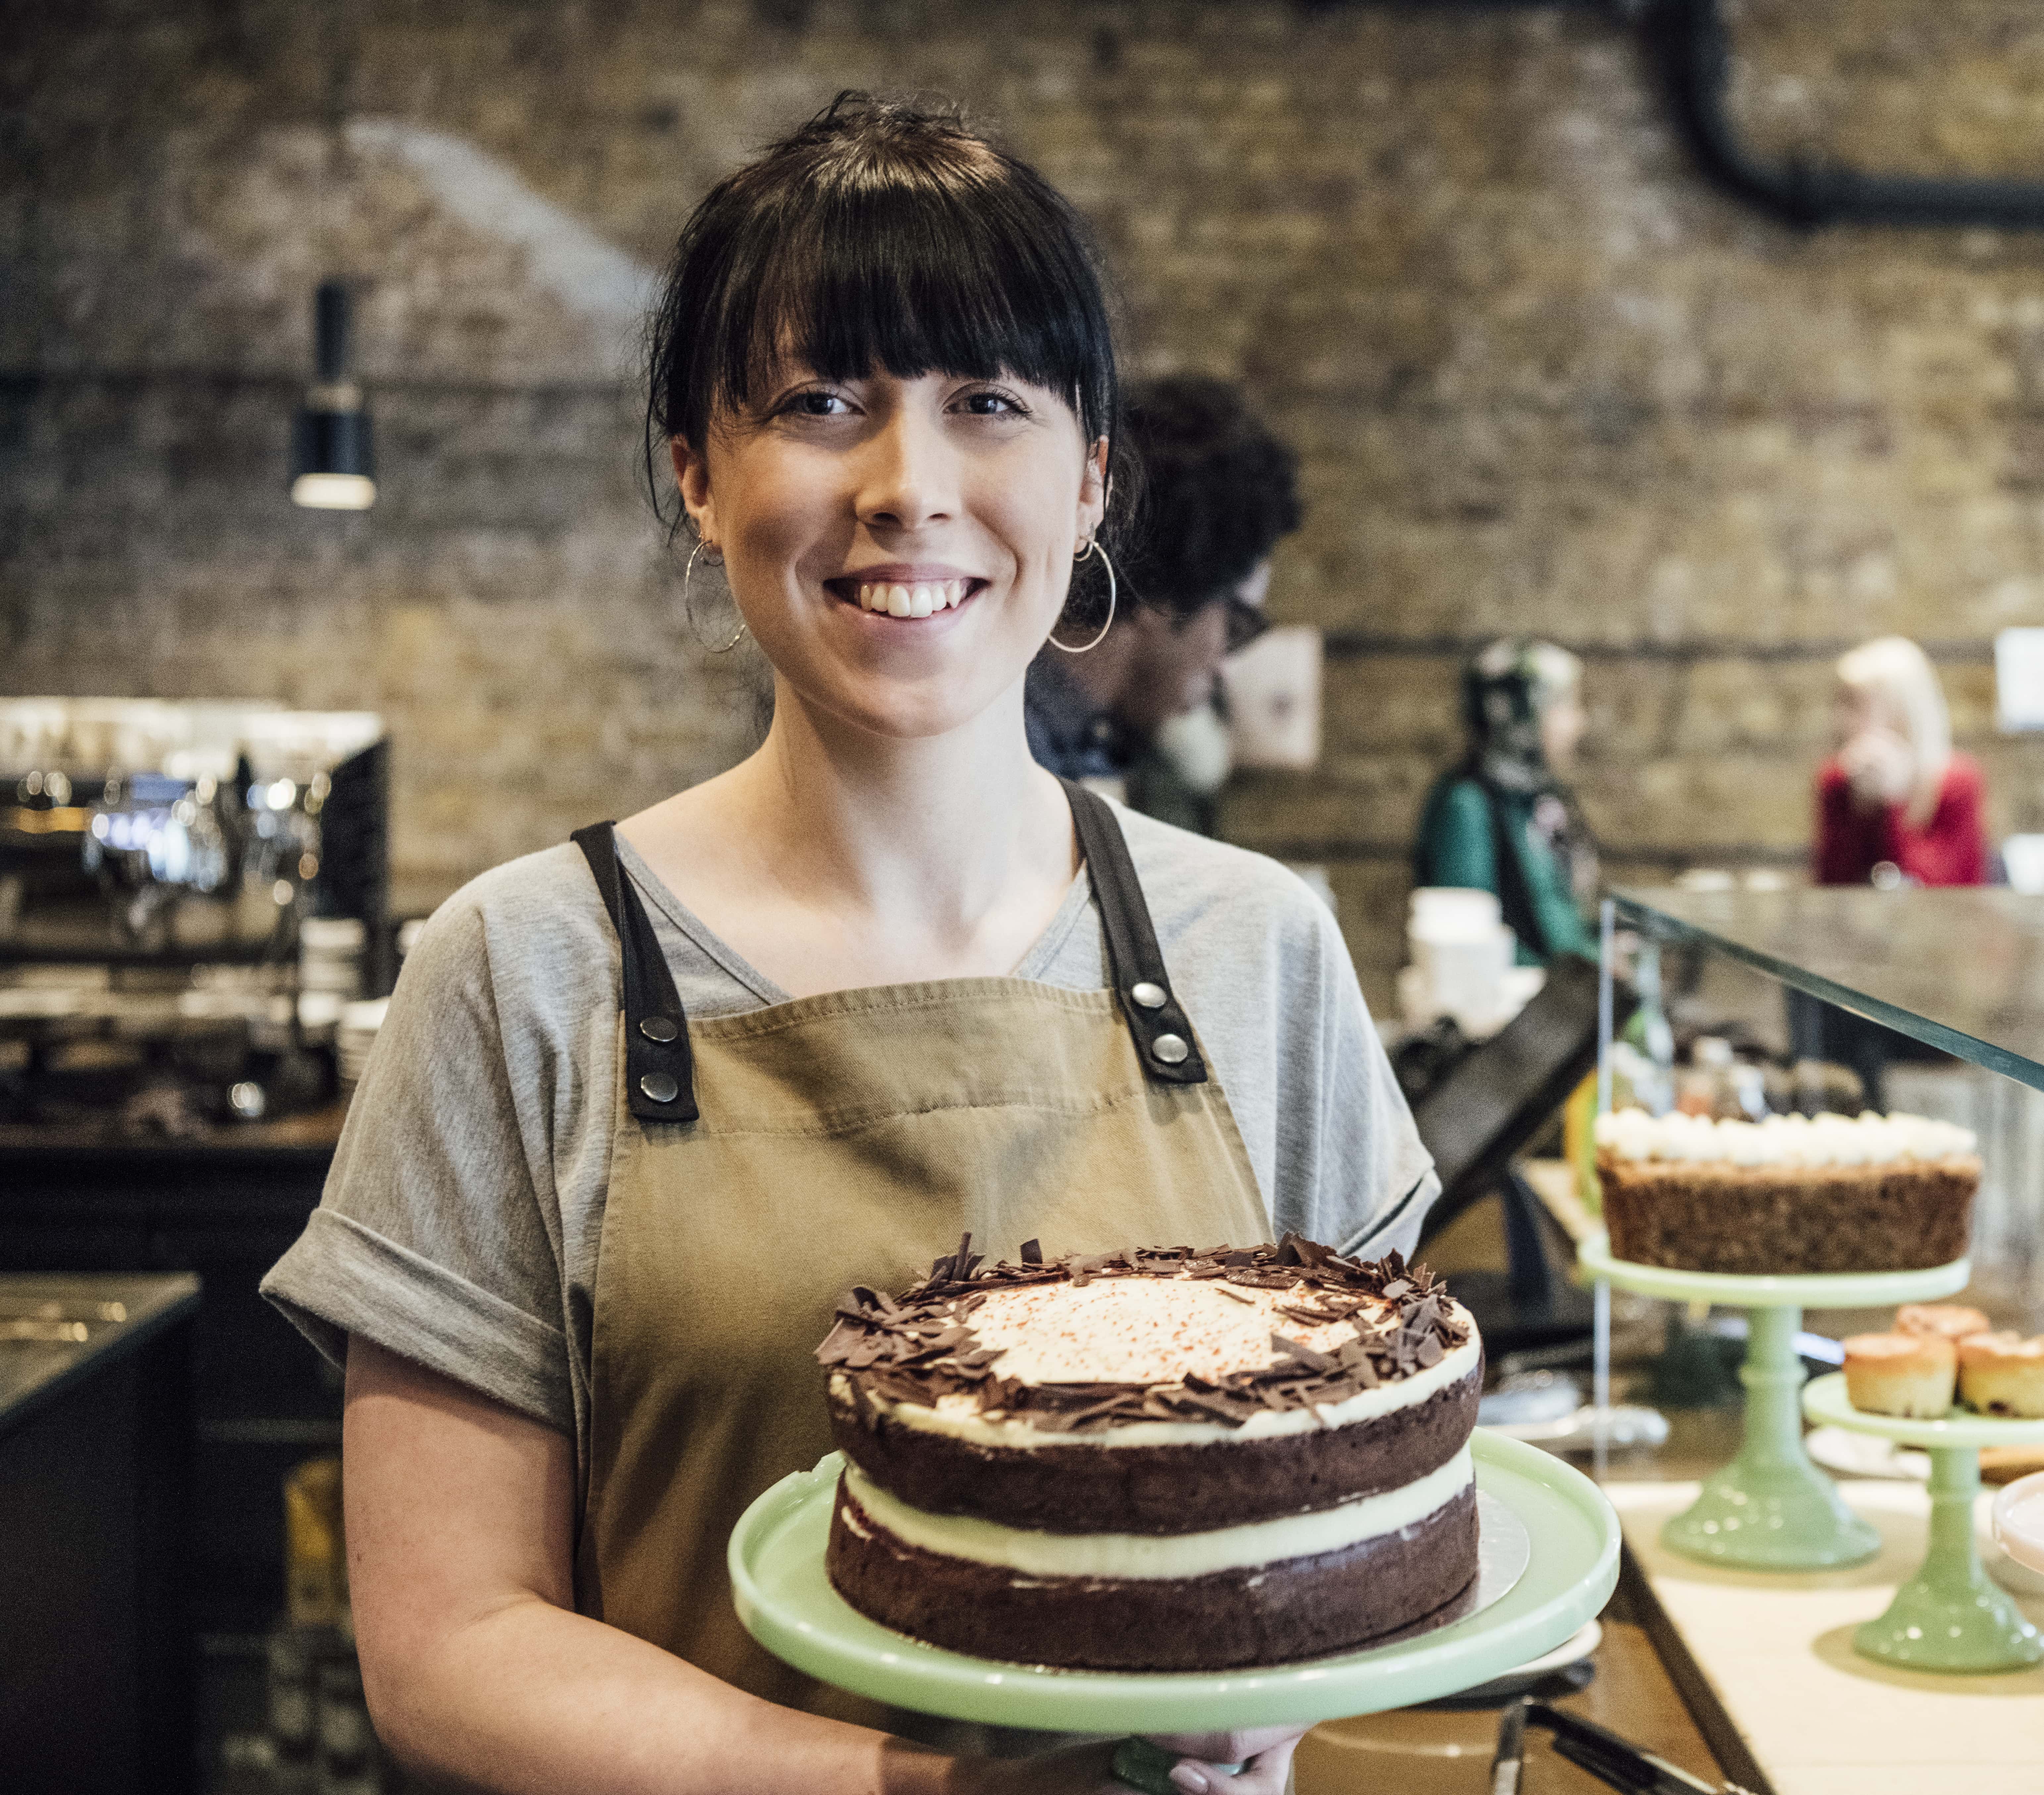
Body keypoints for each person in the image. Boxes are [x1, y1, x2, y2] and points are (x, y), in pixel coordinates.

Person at [260, 96, 1433, 1795]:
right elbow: (449, 1646)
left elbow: (1365, 1505)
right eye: (820, 403)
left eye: (986, 406)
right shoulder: (518, 970)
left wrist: (1283, 1688)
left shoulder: (1256, 949)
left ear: (1089, 474)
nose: (908, 489)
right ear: (695, 468)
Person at [1024, 374, 1301, 834]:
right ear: (1164, 600)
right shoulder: (1017, 757)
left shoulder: (1053, 740)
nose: (1222, 669)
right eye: (1236, 626)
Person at [1411, 638, 1600, 964]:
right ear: (1519, 713)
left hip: (1557, 999)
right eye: (1565, 706)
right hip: (1514, 1006)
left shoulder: (1542, 801)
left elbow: (1561, 916)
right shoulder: (1467, 805)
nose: (1579, 723)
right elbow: (1467, 943)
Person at [1812, 635, 1988, 887]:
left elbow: (1949, 886)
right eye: (1839, 703)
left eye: (1855, 705)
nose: (1841, 720)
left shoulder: (1958, 783)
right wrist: (1861, 805)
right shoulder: (1837, 780)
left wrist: (1893, 804)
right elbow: (1833, 884)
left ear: (1902, 712)